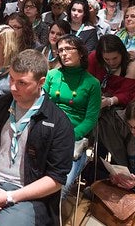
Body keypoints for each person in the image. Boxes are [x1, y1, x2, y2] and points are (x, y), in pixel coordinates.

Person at [0, 49, 74, 225]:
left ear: (41, 82)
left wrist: (9, 196)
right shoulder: (0, 105)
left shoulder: (58, 122)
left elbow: (56, 179)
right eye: (11, 79)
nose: (13, 87)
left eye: (22, 83)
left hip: (28, 195)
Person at [44, 35, 101, 199]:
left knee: (60, 188)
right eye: (60, 50)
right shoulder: (52, 75)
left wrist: (69, 135)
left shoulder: (92, 84)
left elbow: (90, 119)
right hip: (47, 131)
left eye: (68, 49)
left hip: (73, 137)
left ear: (81, 53)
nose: (63, 53)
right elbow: (41, 104)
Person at [87, 34, 135, 161]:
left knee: (107, 127)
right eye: (107, 59)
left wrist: (109, 101)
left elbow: (128, 94)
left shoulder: (132, 64)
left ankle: (118, 160)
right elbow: (87, 81)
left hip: (119, 109)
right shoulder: (94, 58)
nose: (111, 62)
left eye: (115, 58)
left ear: (122, 52)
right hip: (95, 102)